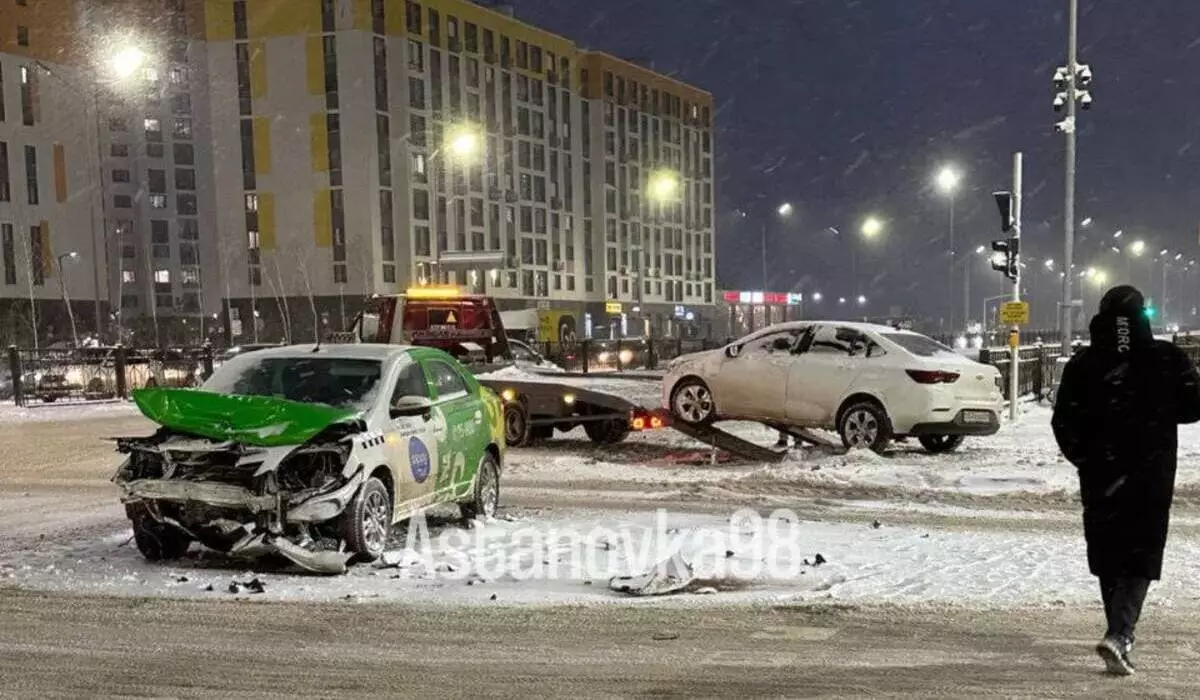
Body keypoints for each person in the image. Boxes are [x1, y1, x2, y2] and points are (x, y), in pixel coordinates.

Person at [1051, 285, 1200, 676]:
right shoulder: (1165, 358)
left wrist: (1087, 459)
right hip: (1151, 475)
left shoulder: (1083, 364)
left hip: (1102, 476)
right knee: (1140, 555)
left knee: (1109, 554)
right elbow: (1192, 408)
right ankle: (1120, 634)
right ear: (1143, 316)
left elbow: (1064, 422)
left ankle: (1119, 632)